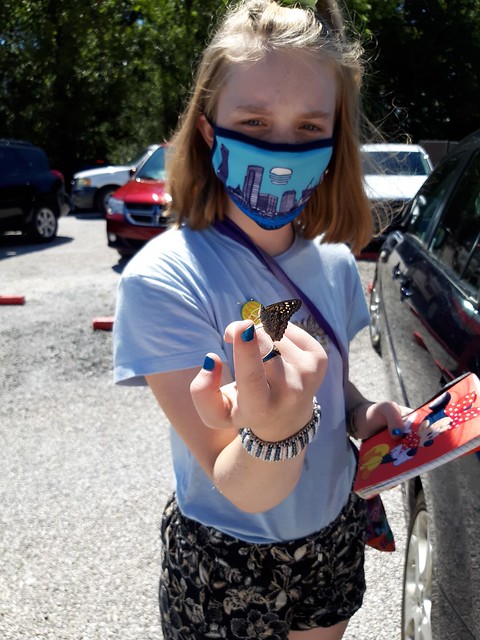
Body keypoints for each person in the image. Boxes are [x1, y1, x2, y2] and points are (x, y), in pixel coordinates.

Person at [113, 1, 406, 638]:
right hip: (227, 556)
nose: (281, 149)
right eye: (253, 121)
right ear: (208, 130)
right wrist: (275, 431)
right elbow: (238, 483)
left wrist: (363, 413)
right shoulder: (163, 279)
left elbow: (332, 384)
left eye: (309, 127)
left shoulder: (333, 259)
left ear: (335, 139)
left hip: (332, 534)